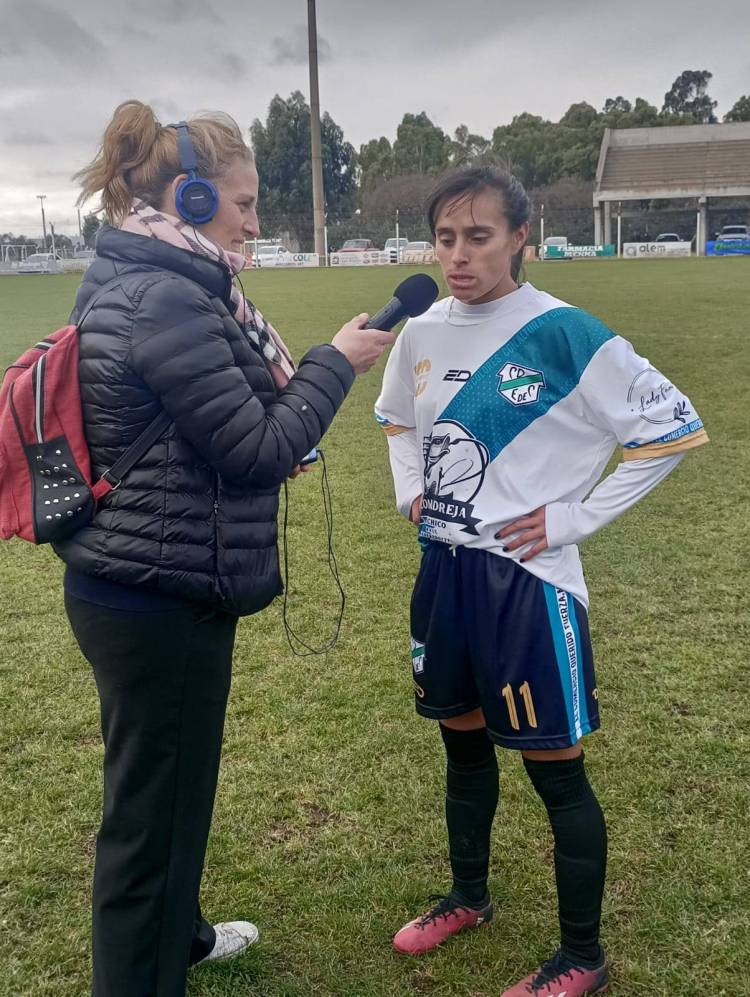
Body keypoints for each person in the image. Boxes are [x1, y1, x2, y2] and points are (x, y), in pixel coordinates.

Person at [57, 100, 394, 997]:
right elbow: (257, 448)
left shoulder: (148, 273)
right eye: (242, 203)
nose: (252, 222)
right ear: (192, 196)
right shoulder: (169, 295)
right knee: (149, 821)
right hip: (157, 597)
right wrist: (336, 363)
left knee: (165, 794)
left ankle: (185, 936)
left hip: (138, 580)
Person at [374, 165, 707, 996]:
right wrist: (410, 490)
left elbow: (671, 428)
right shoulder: (422, 330)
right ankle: (468, 897)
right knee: (461, 743)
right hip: (445, 572)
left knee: (557, 769)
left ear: (521, 236)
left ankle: (582, 957)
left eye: (478, 236)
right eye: (445, 237)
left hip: (528, 583)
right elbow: (397, 422)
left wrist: (573, 518)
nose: (458, 255)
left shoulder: (564, 332)